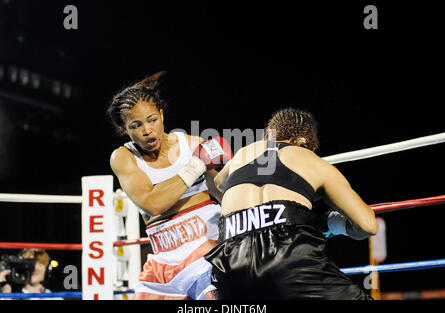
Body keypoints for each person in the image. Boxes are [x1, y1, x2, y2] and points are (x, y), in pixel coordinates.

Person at [204, 107, 378, 300]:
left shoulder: (244, 153)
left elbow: (219, 183)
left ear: (268, 134)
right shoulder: (311, 160)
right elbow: (367, 225)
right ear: (305, 141)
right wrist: (331, 224)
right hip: (289, 259)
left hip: (228, 263)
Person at [107, 71, 232, 300]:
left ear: (162, 115)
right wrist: (196, 165)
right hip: (162, 262)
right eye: (136, 125)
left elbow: (226, 197)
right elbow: (152, 204)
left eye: (152, 120)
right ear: (125, 129)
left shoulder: (193, 145)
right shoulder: (124, 157)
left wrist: (234, 172)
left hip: (206, 251)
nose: (147, 130)